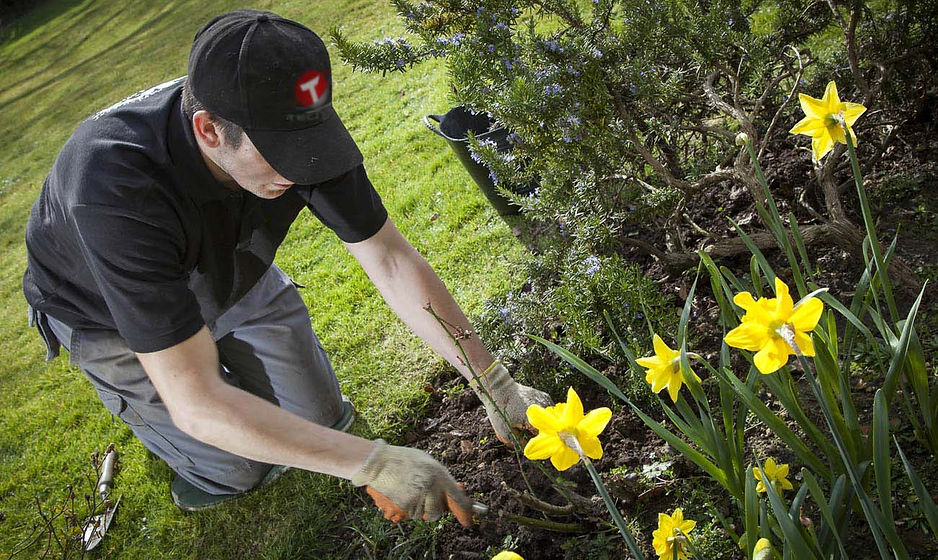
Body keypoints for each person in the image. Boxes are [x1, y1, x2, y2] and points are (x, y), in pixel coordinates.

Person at [22, 9, 551, 521]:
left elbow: (388, 258)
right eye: (284, 153)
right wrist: (369, 464)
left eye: (311, 145)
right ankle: (155, 422)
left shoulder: (290, 117)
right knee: (237, 464)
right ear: (208, 130)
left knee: (323, 421)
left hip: (226, 270)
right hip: (108, 311)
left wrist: (493, 382)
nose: (305, 169)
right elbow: (198, 402)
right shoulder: (112, 189)